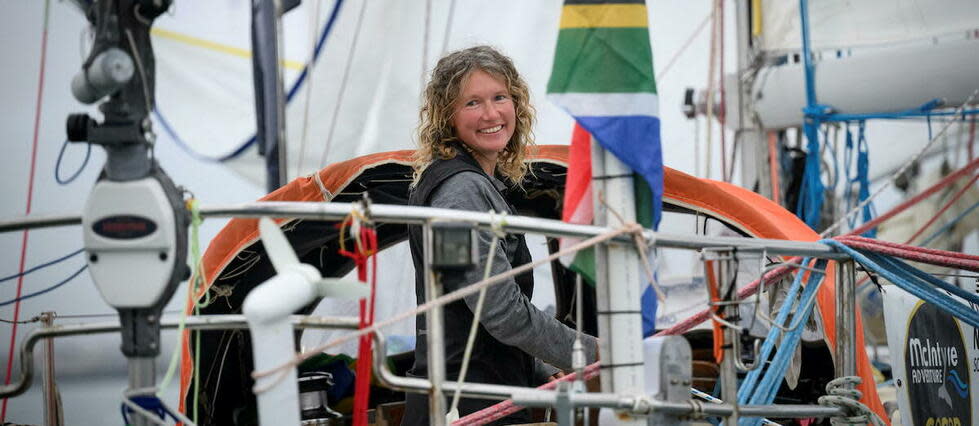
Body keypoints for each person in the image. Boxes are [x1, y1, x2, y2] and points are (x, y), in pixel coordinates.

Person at [402, 45, 599, 425]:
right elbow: (501, 312)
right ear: (448, 117)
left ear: (516, 104)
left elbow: (460, 296)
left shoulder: (460, 186)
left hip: (460, 397)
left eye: (499, 98)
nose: (491, 114)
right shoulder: (460, 194)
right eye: (472, 103)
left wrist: (538, 368)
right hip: (472, 405)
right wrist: (592, 353)